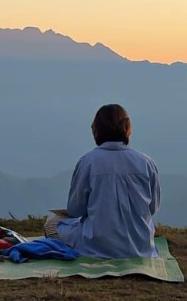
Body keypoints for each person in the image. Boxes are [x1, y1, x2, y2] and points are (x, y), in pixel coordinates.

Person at [48, 104, 161, 258]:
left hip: (95, 247)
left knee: (51, 223)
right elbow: (152, 208)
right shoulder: (147, 163)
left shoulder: (88, 162)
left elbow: (76, 210)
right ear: (127, 128)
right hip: (140, 248)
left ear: (96, 129)